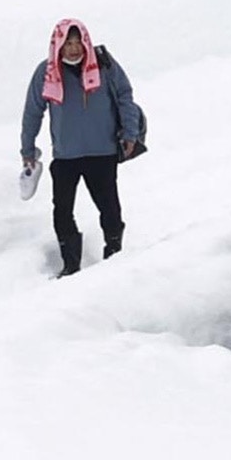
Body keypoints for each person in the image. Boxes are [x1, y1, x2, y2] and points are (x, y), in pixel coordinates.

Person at [19, 18, 145, 276]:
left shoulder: (104, 66)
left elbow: (124, 96)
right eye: (68, 44)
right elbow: (33, 112)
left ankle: (114, 255)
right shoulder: (47, 72)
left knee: (110, 209)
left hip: (103, 152)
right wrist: (27, 149)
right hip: (66, 157)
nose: (74, 49)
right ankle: (71, 265)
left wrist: (131, 133)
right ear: (58, 45)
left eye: (78, 43)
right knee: (62, 212)